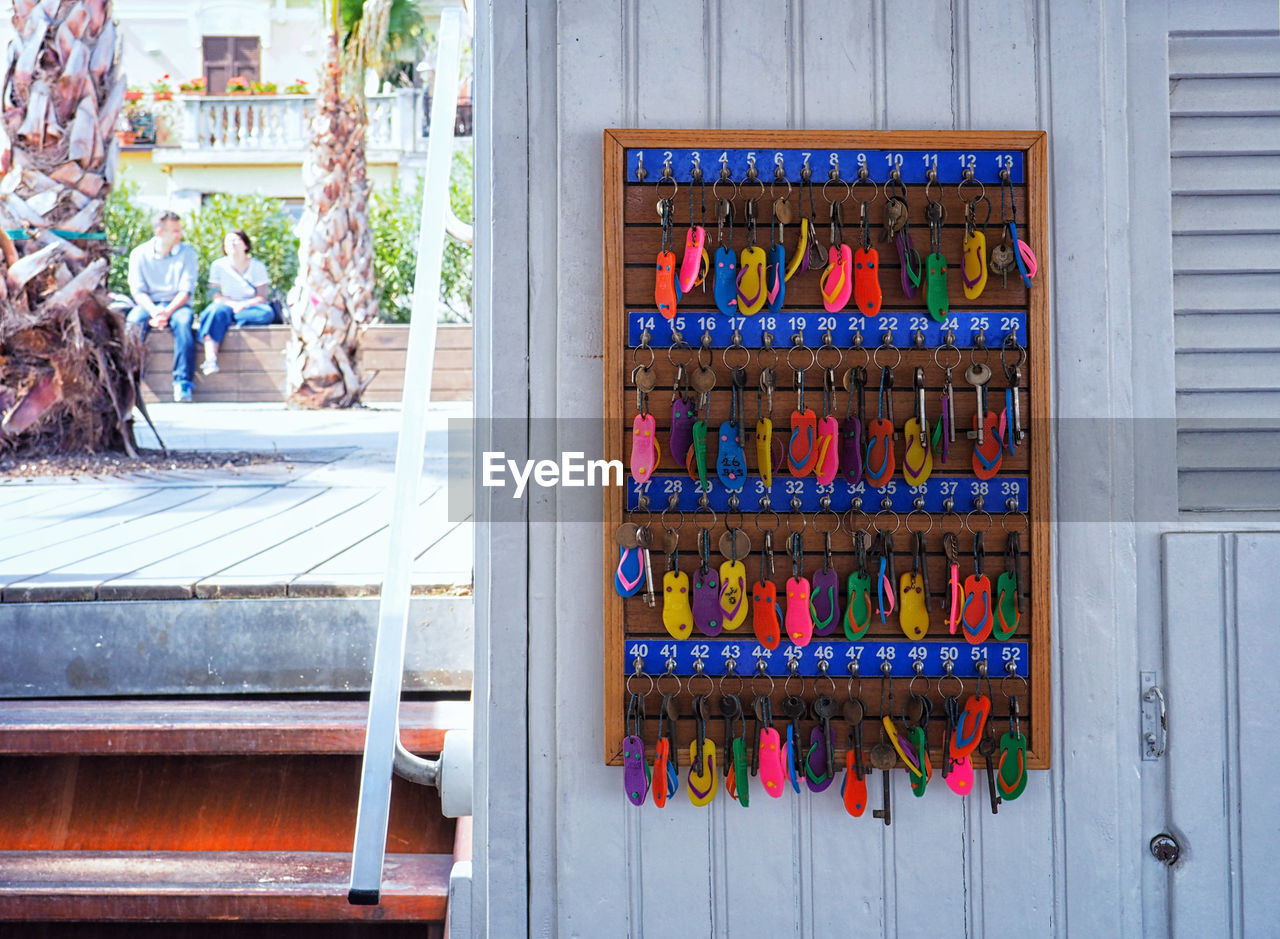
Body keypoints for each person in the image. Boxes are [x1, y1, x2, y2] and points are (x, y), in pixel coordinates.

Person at [127, 210, 200, 402]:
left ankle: (182, 382)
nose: (179, 234)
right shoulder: (139, 254)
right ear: (160, 232)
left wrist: (166, 313)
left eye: (179, 230)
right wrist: (154, 311)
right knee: (133, 323)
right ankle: (130, 380)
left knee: (184, 324)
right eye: (174, 230)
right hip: (149, 304)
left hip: (176, 306)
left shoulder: (188, 254)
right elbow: (138, 291)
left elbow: (185, 291)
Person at [196, 229, 275, 376]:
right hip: (226, 305)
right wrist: (233, 305)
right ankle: (211, 358)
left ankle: (228, 321)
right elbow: (215, 295)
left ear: (245, 244)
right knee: (214, 312)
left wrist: (244, 305)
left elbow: (262, 296)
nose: (232, 244)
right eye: (228, 241)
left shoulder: (257, 266)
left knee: (266, 313)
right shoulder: (218, 266)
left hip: (249, 307)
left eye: (236, 240)